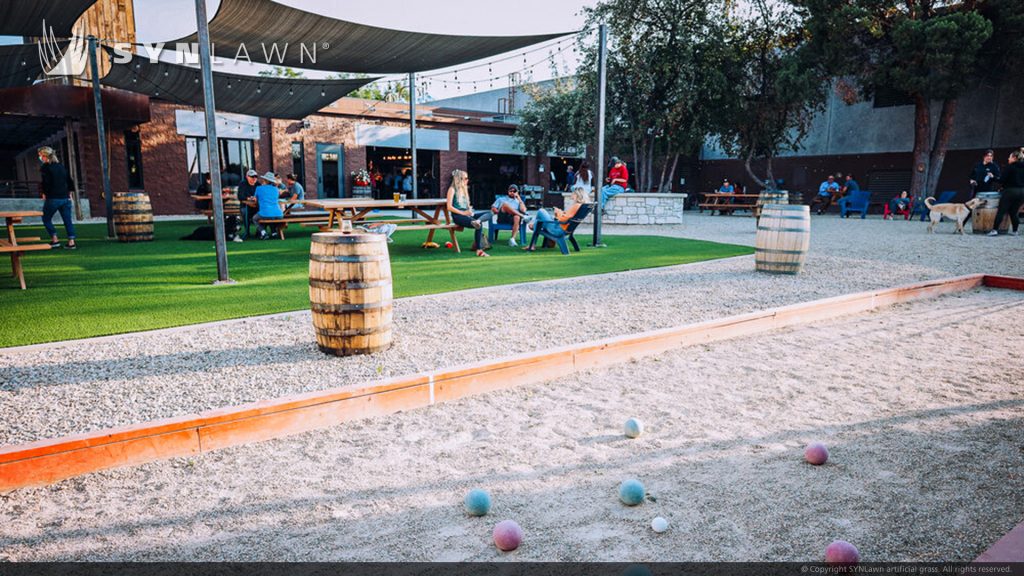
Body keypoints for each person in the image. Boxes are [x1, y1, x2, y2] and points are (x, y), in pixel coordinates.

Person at [524, 188, 591, 251]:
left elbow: (562, 219)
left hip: (558, 230)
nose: (572, 194)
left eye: (573, 193)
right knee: (541, 220)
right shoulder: (580, 206)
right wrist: (560, 212)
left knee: (541, 211)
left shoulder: (576, 206)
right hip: (564, 229)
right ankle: (535, 229)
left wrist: (558, 212)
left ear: (577, 195)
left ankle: (533, 239)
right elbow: (566, 217)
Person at [37, 146, 77, 249]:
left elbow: (46, 183)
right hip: (65, 198)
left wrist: (44, 193)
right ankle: (71, 242)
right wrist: (70, 193)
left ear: (45, 156)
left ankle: (55, 240)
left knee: (46, 218)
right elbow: (69, 180)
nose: (40, 157)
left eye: (40, 155)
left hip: (53, 198)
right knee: (67, 220)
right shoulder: (61, 166)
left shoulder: (46, 168)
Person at [446, 169, 491, 257]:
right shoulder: (452, 189)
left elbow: (466, 206)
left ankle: (477, 221)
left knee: (490, 213)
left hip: (467, 215)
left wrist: (469, 211)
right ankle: (479, 250)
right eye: (465, 178)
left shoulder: (464, 190)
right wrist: (463, 213)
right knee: (479, 226)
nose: (467, 180)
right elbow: (449, 207)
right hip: (458, 216)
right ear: (459, 179)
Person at [988, 148, 1024, 237]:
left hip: (1010, 191)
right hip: (1022, 192)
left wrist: (993, 177)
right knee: (1014, 212)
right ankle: (1015, 231)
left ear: (1014, 158)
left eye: (1010, 157)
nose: (1008, 159)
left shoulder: (1010, 167)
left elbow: (1001, 180)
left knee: (1001, 211)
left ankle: (994, 230)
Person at [246, 171, 284, 239]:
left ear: (264, 180)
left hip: (265, 213)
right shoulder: (276, 189)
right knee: (271, 217)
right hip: (279, 214)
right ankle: (274, 232)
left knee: (254, 218)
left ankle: (263, 233)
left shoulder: (259, 188)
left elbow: (255, 199)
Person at [236, 169, 259, 240]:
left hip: (256, 206)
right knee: (244, 211)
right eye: (252, 177)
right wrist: (249, 198)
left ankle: (260, 231)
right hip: (245, 206)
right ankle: (247, 231)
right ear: (247, 177)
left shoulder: (258, 184)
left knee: (263, 211)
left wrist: (256, 198)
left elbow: (262, 195)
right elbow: (240, 196)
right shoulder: (243, 184)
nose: (254, 178)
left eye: (255, 176)